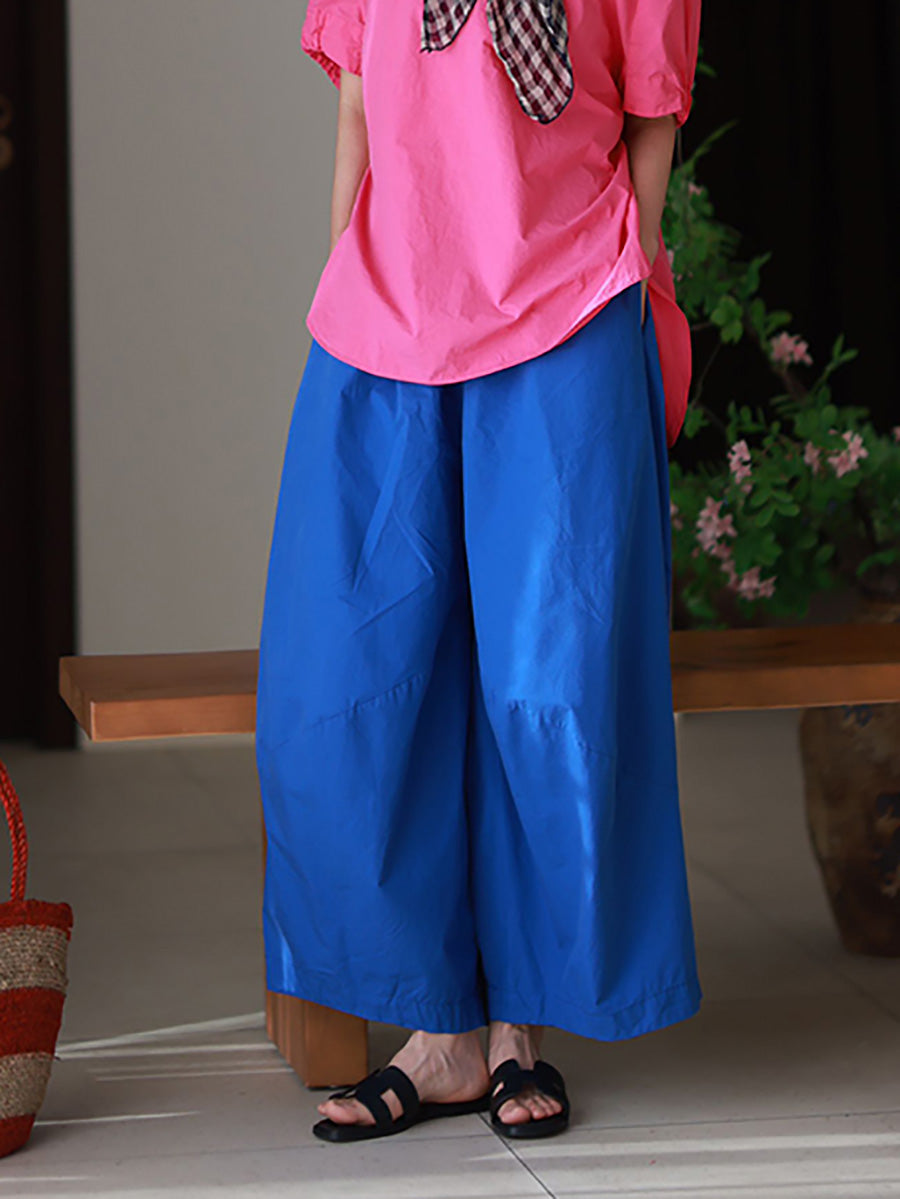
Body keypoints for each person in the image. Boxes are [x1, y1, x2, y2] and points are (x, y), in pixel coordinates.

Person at [255, 0, 704, 1144]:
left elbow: (652, 111)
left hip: (571, 302)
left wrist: (629, 268)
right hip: (389, 305)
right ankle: (438, 1033)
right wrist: (348, 268)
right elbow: (359, 93)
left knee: (552, 678)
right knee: (348, 679)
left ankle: (517, 1028)